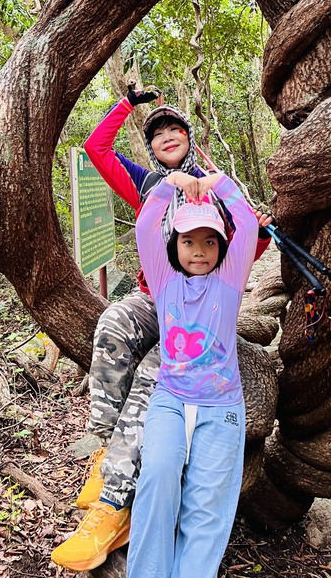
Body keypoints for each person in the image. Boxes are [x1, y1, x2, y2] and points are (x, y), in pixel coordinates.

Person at [51, 88, 271, 571]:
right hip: (157, 296)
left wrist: (252, 225)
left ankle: (115, 498)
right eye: (158, 134)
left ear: (190, 139)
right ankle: (107, 450)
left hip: (203, 316)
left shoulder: (216, 190)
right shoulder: (148, 182)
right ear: (150, 146)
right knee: (111, 324)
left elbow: (242, 255)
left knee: (154, 375)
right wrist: (127, 104)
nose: (167, 136)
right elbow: (97, 149)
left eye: (176, 129)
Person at [127, 169, 258, 578]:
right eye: (188, 241)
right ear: (175, 245)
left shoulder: (230, 280)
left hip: (221, 407)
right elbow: (146, 226)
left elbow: (248, 223)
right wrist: (173, 183)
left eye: (209, 241)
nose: (199, 251)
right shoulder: (164, 280)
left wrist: (219, 182)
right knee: (157, 478)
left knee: (207, 506)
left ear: (221, 246)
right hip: (170, 399)